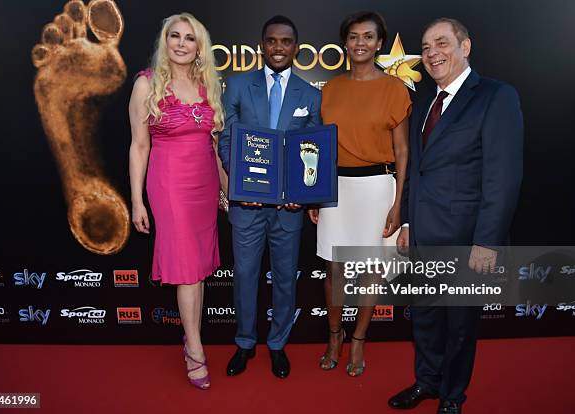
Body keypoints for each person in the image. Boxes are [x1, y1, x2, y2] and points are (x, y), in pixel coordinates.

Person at [388, 18, 523, 414]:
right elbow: (417, 169)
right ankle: (427, 383)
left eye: (442, 43)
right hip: (424, 236)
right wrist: (409, 223)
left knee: (460, 327)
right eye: (426, 47)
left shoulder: (496, 97)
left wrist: (487, 240)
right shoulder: (427, 100)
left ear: (466, 46)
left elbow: (503, 177)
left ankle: (452, 396)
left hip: (468, 239)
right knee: (426, 319)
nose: (432, 53)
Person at [307, 11, 410, 376]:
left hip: (377, 188)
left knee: (370, 270)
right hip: (335, 188)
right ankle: (334, 336)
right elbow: (321, 147)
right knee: (334, 269)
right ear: (345, 42)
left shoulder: (395, 89)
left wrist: (399, 204)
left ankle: (359, 340)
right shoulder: (331, 89)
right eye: (353, 36)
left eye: (368, 36)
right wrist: (316, 193)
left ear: (380, 43)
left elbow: (402, 152)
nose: (360, 43)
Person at [218, 15, 321, 379]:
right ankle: (245, 342)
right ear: (262, 45)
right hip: (248, 206)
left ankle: (277, 344)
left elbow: (312, 149)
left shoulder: (310, 95)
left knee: (284, 278)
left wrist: (301, 194)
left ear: (296, 47)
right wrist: (243, 185)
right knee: (245, 275)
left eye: (286, 41)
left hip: (289, 209)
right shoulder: (237, 86)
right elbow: (227, 139)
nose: (279, 47)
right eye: (272, 41)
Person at [128, 12, 225, 390]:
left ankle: (191, 337)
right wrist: (137, 201)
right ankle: (195, 349)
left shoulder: (208, 85)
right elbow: (138, 146)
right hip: (169, 184)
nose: (182, 44)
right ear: (165, 41)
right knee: (186, 266)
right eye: (175, 36)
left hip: (203, 183)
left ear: (199, 46)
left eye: (190, 38)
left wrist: (224, 189)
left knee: (197, 267)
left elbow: (216, 146)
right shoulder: (146, 84)